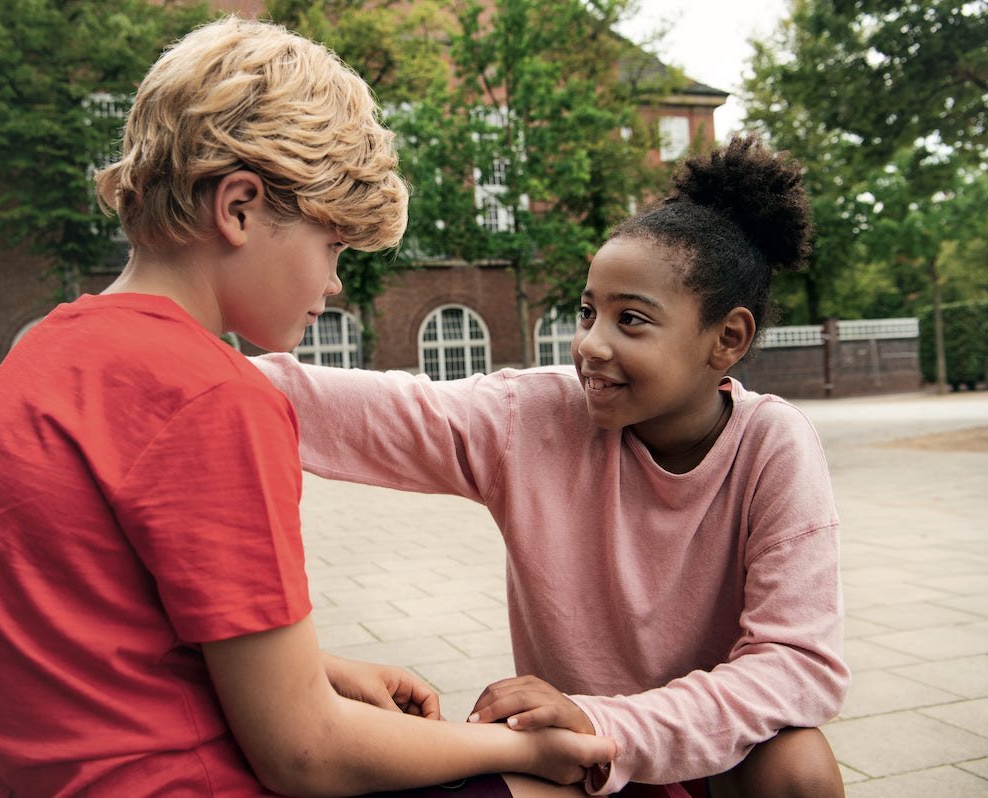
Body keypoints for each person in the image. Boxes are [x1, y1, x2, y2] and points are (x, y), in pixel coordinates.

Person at [0, 15, 616, 798]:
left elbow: (105, 627)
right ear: (239, 207)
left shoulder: (45, 357)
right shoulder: (210, 395)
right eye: (331, 247)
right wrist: (519, 754)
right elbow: (305, 757)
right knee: (549, 789)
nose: (333, 287)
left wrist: (317, 670)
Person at [253, 136, 850, 797]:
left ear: (727, 339)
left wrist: (608, 721)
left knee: (799, 763)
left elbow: (797, 667)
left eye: (631, 321)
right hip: (573, 765)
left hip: (690, 755)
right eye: (588, 312)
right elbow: (353, 407)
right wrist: (159, 352)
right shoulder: (531, 417)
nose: (590, 344)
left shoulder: (773, 446)